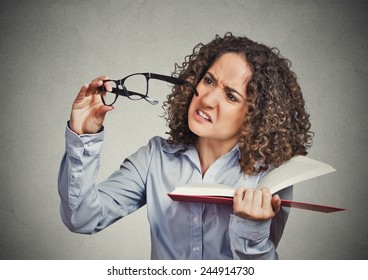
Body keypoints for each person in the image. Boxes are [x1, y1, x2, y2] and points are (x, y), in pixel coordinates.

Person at [58, 32, 313, 259]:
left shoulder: (270, 179)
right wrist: (83, 136)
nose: (207, 100)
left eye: (231, 95)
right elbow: (82, 218)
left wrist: (252, 229)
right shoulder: (154, 158)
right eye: (209, 81)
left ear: (255, 115)